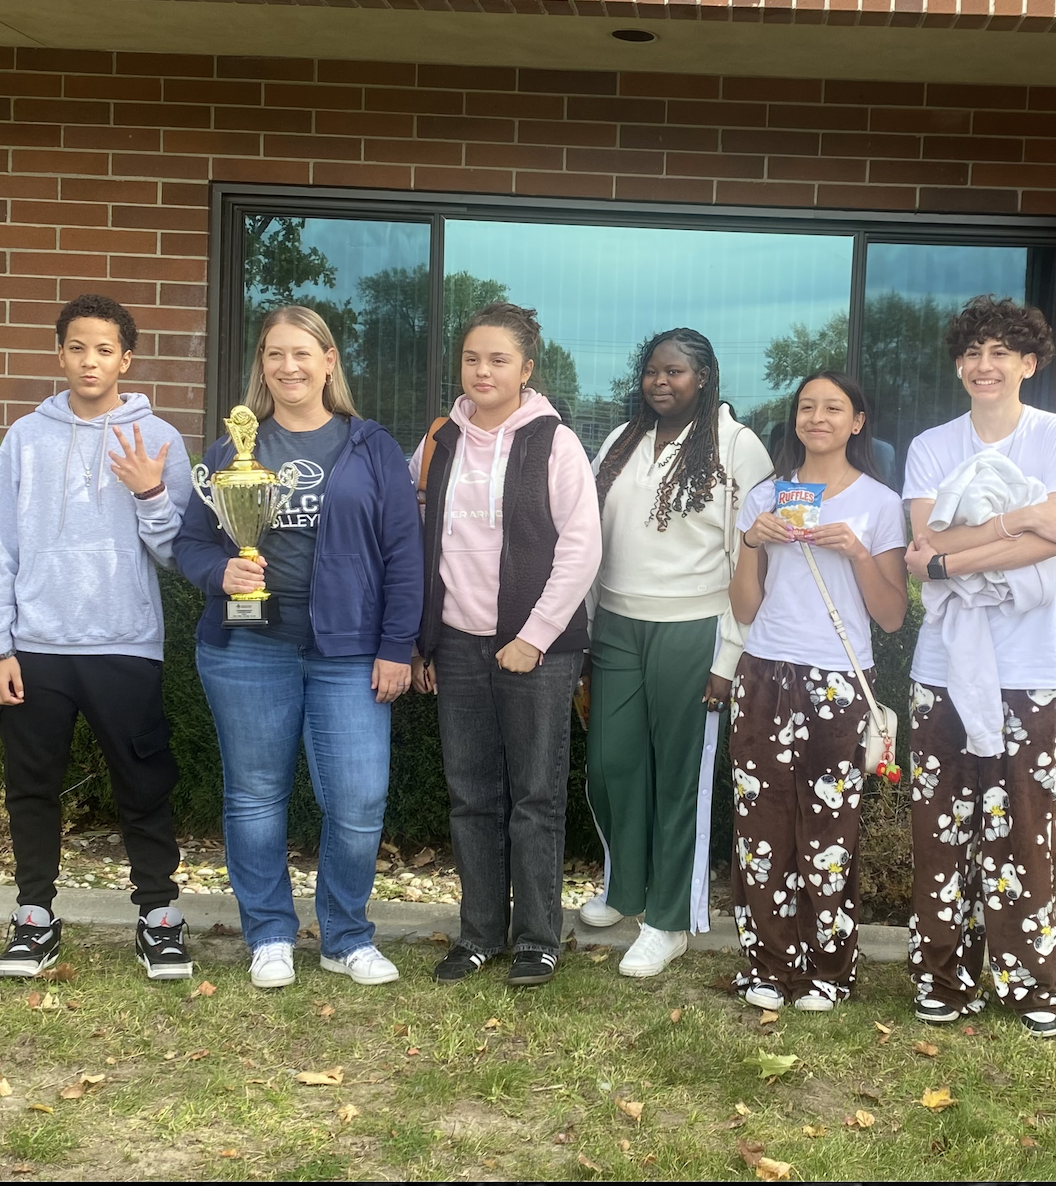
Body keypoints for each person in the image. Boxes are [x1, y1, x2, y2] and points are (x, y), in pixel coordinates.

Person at [174, 305, 422, 990]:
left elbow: (405, 555)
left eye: (302, 353)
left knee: (359, 801)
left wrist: (397, 645)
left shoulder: (370, 446)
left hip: (349, 653)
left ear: (328, 361)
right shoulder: (230, 452)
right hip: (248, 650)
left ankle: (345, 937)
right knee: (255, 796)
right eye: (275, 353)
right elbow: (190, 543)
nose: (288, 366)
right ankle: (270, 936)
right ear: (262, 363)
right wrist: (219, 571)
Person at [0, 294, 193, 980]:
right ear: (59, 353)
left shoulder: (159, 438)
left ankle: (159, 918)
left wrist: (149, 492)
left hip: (124, 640)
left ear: (126, 360)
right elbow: (3, 546)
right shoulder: (24, 438)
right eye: (77, 347)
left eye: (105, 350)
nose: (90, 361)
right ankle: (34, 916)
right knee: (32, 787)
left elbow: (177, 556)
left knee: (143, 783)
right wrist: (2, 645)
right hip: (38, 643)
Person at [411, 303, 601, 987]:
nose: (482, 371)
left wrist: (533, 635)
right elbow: (415, 534)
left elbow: (581, 548)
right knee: (471, 796)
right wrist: (422, 639)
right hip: (458, 646)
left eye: (498, 360)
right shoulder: (441, 441)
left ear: (526, 369)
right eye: (471, 359)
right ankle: (479, 934)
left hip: (534, 650)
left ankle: (537, 940)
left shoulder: (554, 442)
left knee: (536, 798)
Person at [579, 328, 773, 977]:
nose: (660, 382)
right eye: (652, 371)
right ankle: (625, 887)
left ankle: (668, 919)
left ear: (704, 377)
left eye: (675, 372)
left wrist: (730, 655)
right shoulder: (621, 440)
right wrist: (583, 628)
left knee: (680, 779)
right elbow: (590, 537)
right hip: (616, 623)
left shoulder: (737, 447)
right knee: (611, 764)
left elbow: (751, 557)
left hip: (693, 626)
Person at [729, 370, 906, 1011]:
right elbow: (744, 608)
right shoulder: (766, 496)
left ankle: (829, 970)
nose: (818, 418)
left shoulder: (879, 503)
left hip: (838, 677)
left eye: (834, 408)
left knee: (831, 826)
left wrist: (857, 552)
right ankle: (767, 966)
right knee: (760, 825)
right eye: (807, 407)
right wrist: (753, 540)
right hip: (764, 671)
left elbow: (892, 616)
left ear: (858, 422)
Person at [903, 296, 1056, 1038]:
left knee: (1028, 827)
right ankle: (944, 978)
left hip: (1034, 666)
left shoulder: (1052, 437)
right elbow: (925, 547)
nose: (983, 365)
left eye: (1000, 353)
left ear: (1028, 363)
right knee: (942, 826)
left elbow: (1052, 533)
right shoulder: (932, 445)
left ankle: (1032, 983)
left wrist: (956, 556)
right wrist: (1017, 523)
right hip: (944, 669)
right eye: (972, 352)